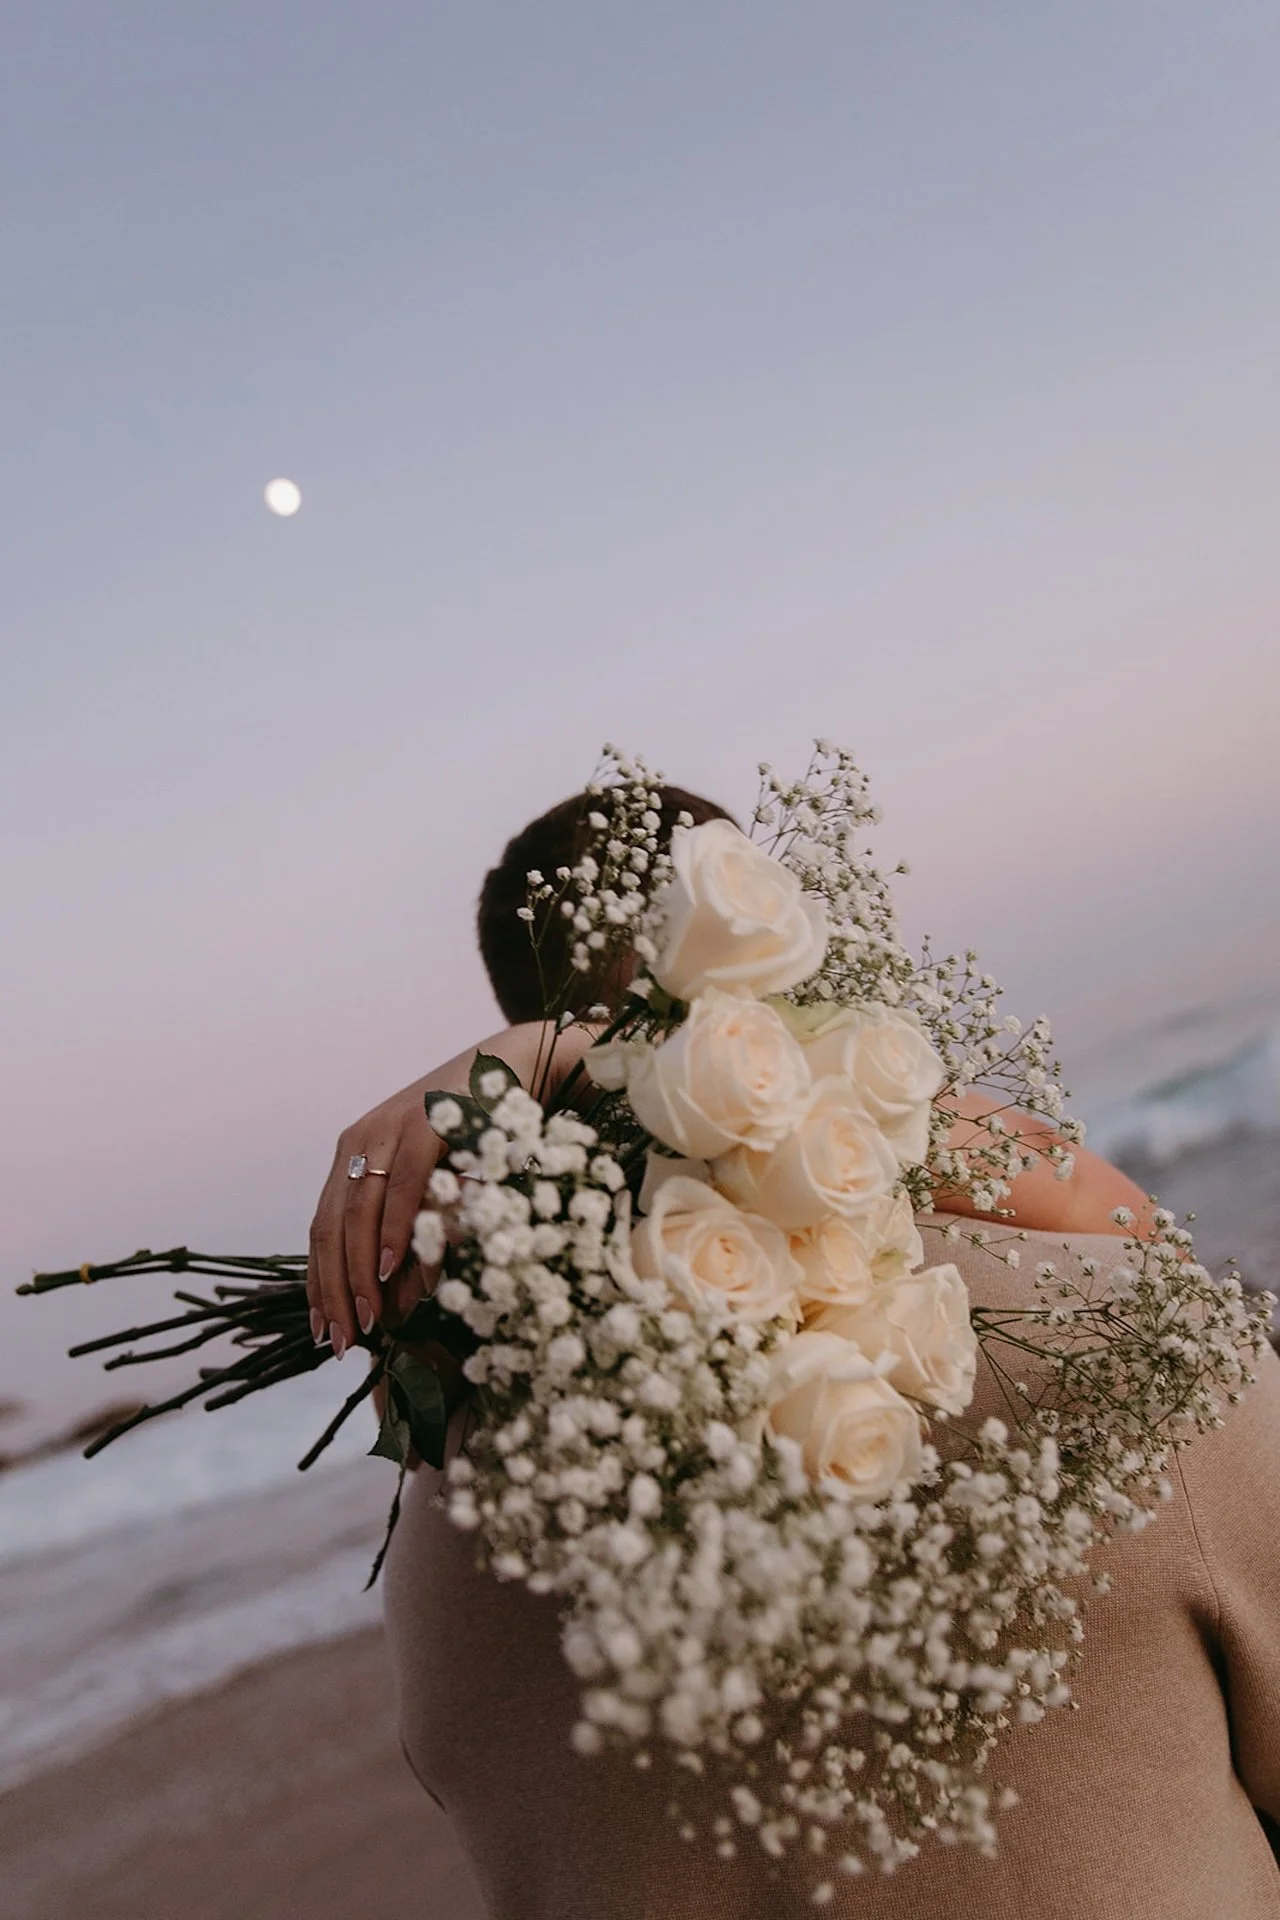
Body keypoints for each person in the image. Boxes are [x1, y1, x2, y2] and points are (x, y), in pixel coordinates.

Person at [306, 789, 1280, 1918]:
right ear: (787, 954)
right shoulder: (1126, 1354)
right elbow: (1132, 1234)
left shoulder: (445, 1541)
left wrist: (561, 1067)